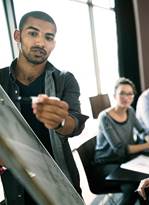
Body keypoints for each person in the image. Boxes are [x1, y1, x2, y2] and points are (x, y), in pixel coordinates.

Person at [0, 11, 87, 204]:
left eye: (48, 37)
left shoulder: (65, 80)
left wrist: (60, 121)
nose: (41, 43)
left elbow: (75, 124)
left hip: (61, 183)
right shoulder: (0, 81)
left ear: (53, 44)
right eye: (33, 33)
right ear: (17, 36)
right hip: (17, 186)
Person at [94, 77, 149, 205]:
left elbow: (142, 131)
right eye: (122, 93)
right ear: (114, 95)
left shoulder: (130, 111)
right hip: (106, 163)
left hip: (125, 159)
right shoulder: (104, 117)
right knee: (130, 187)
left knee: (145, 177)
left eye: (130, 93)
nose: (126, 97)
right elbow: (120, 149)